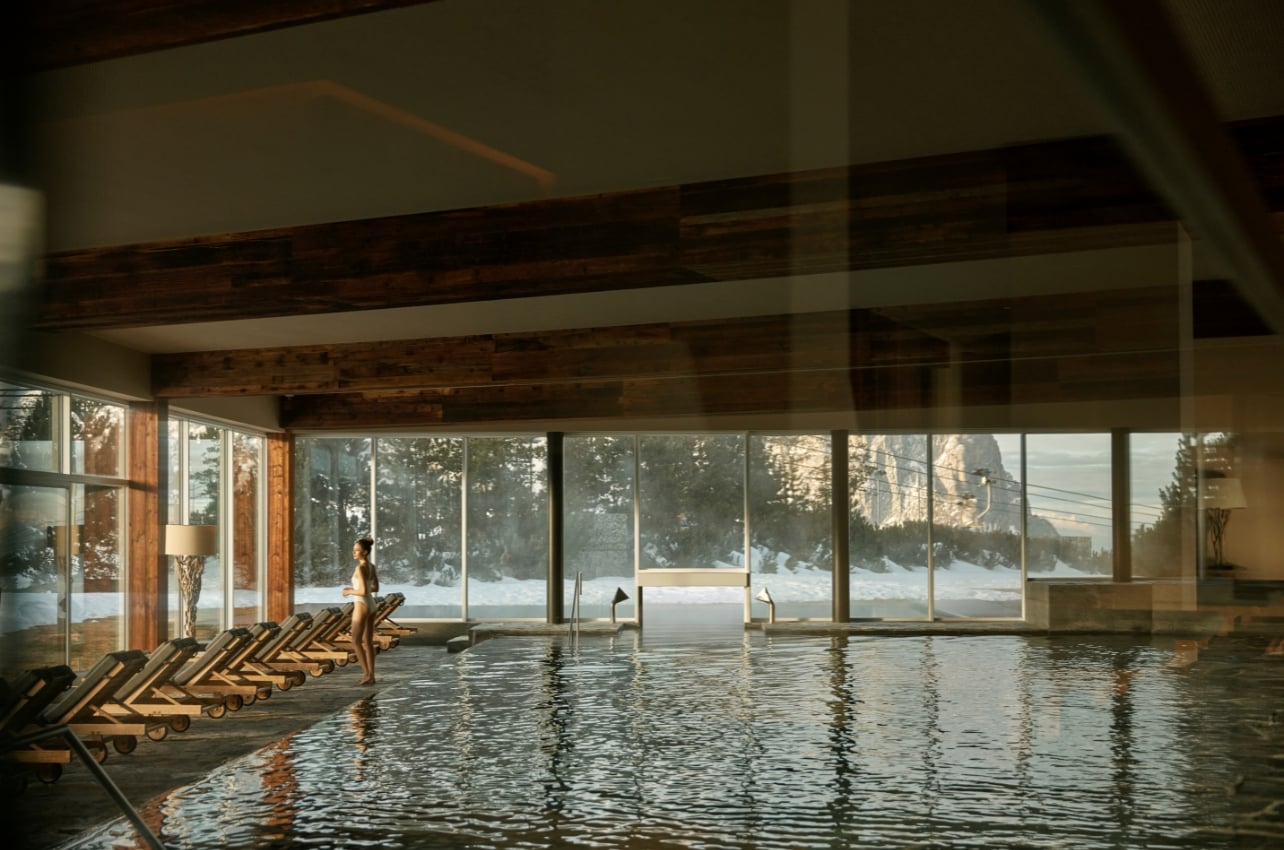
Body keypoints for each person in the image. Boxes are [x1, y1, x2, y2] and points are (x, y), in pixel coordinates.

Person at [342, 536, 380, 685]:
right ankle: (371, 675)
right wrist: (359, 589)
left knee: (356, 641)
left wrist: (349, 591)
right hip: (371, 605)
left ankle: (366, 675)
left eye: (357, 551)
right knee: (368, 642)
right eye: (353, 551)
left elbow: (363, 591)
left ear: (364, 552)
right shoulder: (371, 566)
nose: (354, 553)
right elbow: (375, 588)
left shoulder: (360, 568)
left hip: (362, 604)